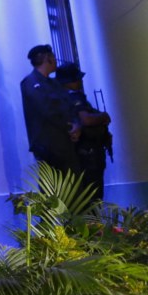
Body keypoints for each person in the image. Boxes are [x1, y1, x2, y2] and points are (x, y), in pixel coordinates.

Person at [54, 63, 111, 202]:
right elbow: (86, 120)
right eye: (76, 79)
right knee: (93, 196)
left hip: (78, 154)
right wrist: (103, 116)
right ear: (68, 81)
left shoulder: (59, 98)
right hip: (89, 153)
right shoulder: (74, 97)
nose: (80, 81)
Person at [20, 45, 78, 176]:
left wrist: (76, 124)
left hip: (65, 142)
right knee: (53, 186)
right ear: (47, 58)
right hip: (48, 146)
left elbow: (69, 106)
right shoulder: (30, 82)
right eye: (53, 57)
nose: (56, 61)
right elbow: (47, 111)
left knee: (73, 183)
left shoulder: (54, 83)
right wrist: (69, 127)